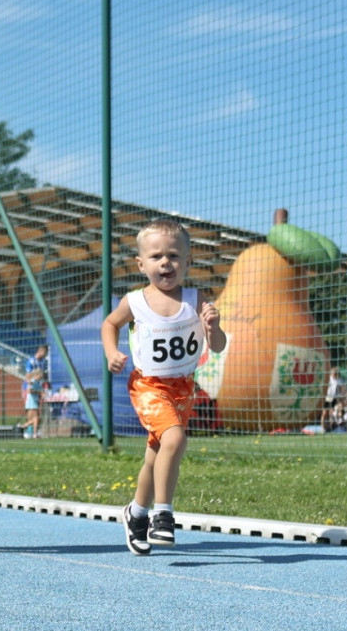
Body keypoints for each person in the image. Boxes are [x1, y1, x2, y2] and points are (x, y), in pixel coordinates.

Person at [102, 220, 226, 555]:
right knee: (175, 439)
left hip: (183, 388)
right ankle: (163, 514)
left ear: (188, 261)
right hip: (149, 386)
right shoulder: (135, 301)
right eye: (156, 256)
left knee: (155, 455)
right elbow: (110, 323)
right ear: (142, 264)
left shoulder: (196, 300)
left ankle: (136, 513)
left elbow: (217, 346)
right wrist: (112, 351)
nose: (165, 263)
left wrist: (212, 326)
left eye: (173, 255)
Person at [22, 344, 48, 438]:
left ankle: (32, 430)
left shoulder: (42, 362)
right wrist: (33, 381)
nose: (45, 355)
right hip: (29, 389)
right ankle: (28, 430)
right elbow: (28, 376)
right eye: (45, 353)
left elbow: (41, 375)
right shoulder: (31, 361)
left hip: (37, 388)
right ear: (41, 351)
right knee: (31, 411)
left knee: (36, 412)